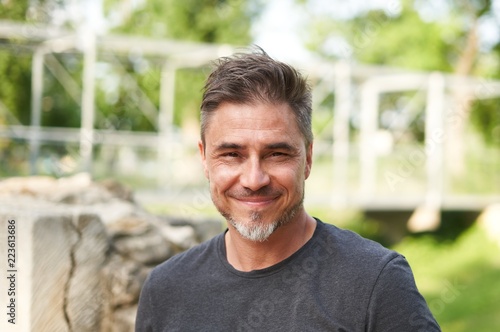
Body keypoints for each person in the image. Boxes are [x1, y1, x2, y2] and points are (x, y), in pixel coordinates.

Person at [136, 47, 440, 331]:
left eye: (276, 154)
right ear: (204, 158)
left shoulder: (376, 282)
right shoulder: (165, 290)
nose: (254, 180)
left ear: (307, 158)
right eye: (232, 154)